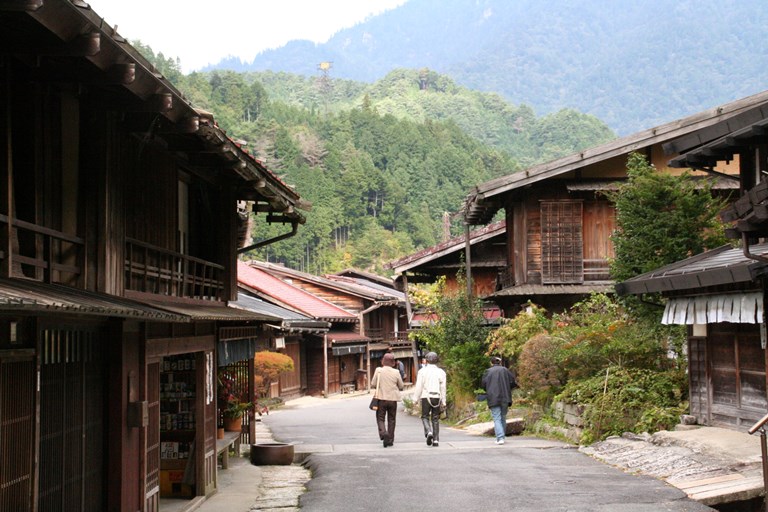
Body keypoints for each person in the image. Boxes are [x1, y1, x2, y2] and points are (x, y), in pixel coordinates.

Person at [409, 351, 446, 447]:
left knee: (425, 416)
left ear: (427, 361)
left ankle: (429, 431)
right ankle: (436, 440)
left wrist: (415, 399)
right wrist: (444, 401)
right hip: (437, 396)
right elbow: (443, 387)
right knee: (435, 418)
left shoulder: (422, 371)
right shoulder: (441, 372)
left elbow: (419, 386)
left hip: (426, 396)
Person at [482, 356, 518, 445]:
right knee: (503, 417)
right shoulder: (505, 370)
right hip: (505, 397)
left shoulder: (488, 372)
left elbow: (483, 385)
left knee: (496, 418)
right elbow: (513, 382)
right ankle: (502, 437)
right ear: (500, 362)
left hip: (493, 398)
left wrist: (489, 390)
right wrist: (508, 389)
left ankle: (500, 437)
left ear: (491, 363)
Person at [370, 353, 404, 447]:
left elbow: (373, 384)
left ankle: (384, 433)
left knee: (380, 418)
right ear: (393, 362)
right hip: (393, 399)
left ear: (383, 361)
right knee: (392, 419)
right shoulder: (396, 372)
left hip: (381, 398)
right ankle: (390, 440)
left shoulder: (378, 370)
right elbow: (401, 386)